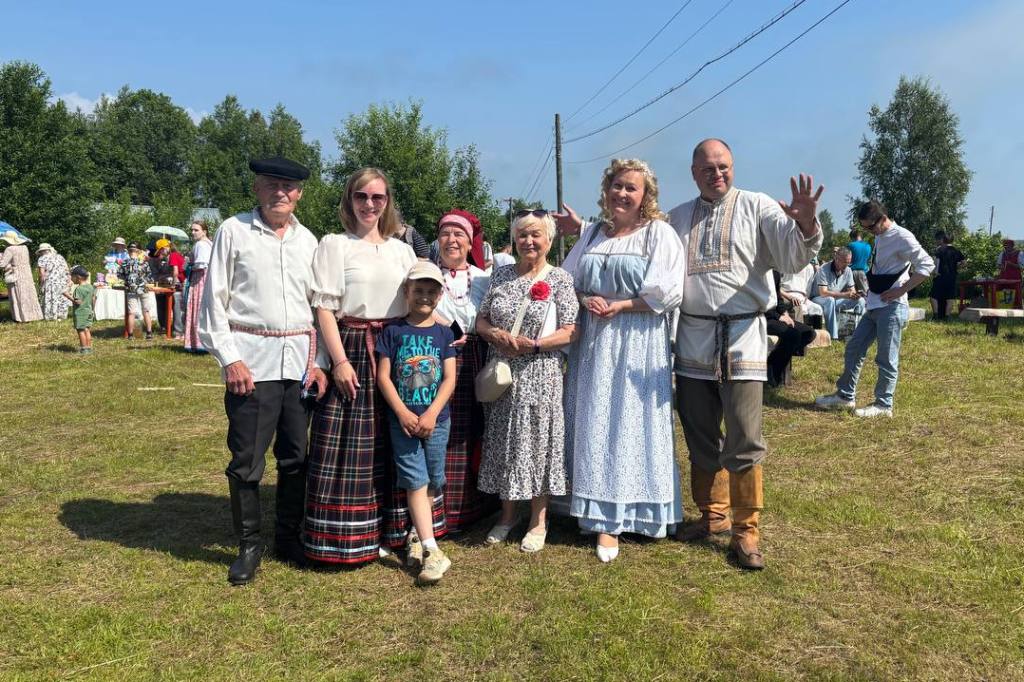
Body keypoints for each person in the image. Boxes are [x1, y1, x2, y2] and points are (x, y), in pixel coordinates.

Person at [666, 138, 823, 570]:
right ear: (694, 172)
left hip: (743, 338)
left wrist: (807, 222)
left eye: (724, 167)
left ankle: (746, 530)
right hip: (694, 338)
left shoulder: (757, 206)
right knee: (698, 433)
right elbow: (639, 244)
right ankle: (712, 515)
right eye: (708, 169)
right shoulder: (676, 217)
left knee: (745, 437)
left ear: (733, 166)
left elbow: (795, 252)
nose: (718, 175)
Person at [198, 156, 328, 586]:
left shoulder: (309, 241)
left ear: (300, 194)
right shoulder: (233, 231)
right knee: (247, 459)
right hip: (251, 362)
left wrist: (322, 363)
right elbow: (212, 301)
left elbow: (320, 307)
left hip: (299, 363)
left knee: (296, 457)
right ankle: (249, 546)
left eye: (289, 187)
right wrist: (230, 358)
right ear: (257, 187)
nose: (281, 193)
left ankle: (288, 539)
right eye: (272, 184)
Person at [557, 158, 686, 563]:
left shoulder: (658, 234)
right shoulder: (593, 232)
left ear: (645, 195)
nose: (622, 193)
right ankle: (594, 512)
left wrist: (622, 305)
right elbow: (565, 279)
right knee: (594, 418)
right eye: (617, 185)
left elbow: (668, 292)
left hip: (636, 341)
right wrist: (583, 298)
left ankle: (623, 516)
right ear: (606, 189)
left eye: (631, 187)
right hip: (594, 341)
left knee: (630, 422)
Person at [303, 167, 430, 566]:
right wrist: (338, 361)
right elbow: (324, 307)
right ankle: (346, 537)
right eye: (362, 196)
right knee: (350, 445)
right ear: (350, 199)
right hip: (354, 347)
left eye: (378, 197)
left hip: (398, 348)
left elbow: (422, 301)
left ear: (387, 202)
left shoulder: (402, 249)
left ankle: (400, 532)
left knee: (399, 441)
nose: (370, 204)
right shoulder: (335, 245)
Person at [475, 211, 578, 553]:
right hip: (503, 372)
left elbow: (570, 330)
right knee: (505, 440)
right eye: (522, 236)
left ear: (549, 240)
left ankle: (538, 520)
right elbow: (482, 319)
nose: (529, 242)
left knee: (539, 442)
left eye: (536, 235)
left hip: (541, 372)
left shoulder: (560, 279)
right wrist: (496, 335)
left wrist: (534, 344)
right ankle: (507, 515)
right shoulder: (501, 274)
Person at [376, 261, 458, 585]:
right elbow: (384, 376)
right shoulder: (393, 332)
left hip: (437, 421)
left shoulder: (444, 333)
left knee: (433, 478)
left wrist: (433, 413)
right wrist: (402, 413)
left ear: (439, 296)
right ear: (407, 292)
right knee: (415, 480)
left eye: (430, 291)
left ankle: (414, 534)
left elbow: (450, 379)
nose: (424, 296)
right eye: (418, 290)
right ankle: (432, 549)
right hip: (404, 423)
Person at [816, 200, 934, 418]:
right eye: (864, 228)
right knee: (854, 347)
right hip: (874, 304)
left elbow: (927, 265)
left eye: (870, 227)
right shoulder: (880, 236)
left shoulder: (903, 236)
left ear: (882, 219)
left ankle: (883, 405)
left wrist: (901, 290)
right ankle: (845, 396)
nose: (868, 231)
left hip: (892, 307)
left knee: (886, 357)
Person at [431, 209, 497, 533]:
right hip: (436, 355)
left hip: (475, 355)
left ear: (470, 242)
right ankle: (435, 507)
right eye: (445, 234)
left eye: (459, 235)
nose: (451, 240)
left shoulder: (483, 278)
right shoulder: (427, 274)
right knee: (440, 428)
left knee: (471, 429)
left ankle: (469, 509)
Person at [765, 271, 816, 388]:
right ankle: (774, 373)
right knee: (793, 335)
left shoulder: (775, 272)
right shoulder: (759, 272)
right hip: (762, 318)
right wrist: (778, 316)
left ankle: (772, 364)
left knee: (808, 333)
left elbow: (778, 297)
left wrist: (784, 313)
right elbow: (757, 302)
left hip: (776, 316)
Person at [811, 247, 866, 340]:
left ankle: (856, 334)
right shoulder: (823, 269)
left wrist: (855, 295)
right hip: (817, 298)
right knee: (830, 300)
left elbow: (851, 290)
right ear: (836, 259)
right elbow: (823, 293)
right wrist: (845, 295)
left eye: (849, 262)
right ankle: (833, 336)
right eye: (845, 262)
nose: (847, 265)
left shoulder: (848, 270)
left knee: (861, 301)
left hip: (836, 300)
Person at [1, 230, 43, 323]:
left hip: (16, 274)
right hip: (26, 273)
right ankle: (32, 315)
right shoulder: (24, 247)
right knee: (28, 294)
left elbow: (2, 264)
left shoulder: (10, 249)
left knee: (17, 295)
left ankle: (20, 317)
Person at [184, 220, 213, 352]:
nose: (193, 232)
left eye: (196, 230)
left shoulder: (201, 244)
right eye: (192, 230)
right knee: (205, 311)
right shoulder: (209, 243)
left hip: (200, 280)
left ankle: (197, 343)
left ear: (204, 231)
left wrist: (190, 265)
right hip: (207, 280)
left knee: (197, 309)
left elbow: (202, 264)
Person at [118, 243, 155, 340]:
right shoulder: (144, 262)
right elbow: (150, 277)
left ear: (129, 251)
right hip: (143, 288)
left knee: (131, 313)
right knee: (146, 311)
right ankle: (149, 333)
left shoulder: (124, 262)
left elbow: (119, 275)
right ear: (138, 251)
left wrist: (128, 279)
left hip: (131, 289)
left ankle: (130, 335)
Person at [931, 231, 965, 320]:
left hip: (940, 275)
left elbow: (936, 262)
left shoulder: (939, 250)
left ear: (942, 240)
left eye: (937, 239)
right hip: (952, 276)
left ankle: (935, 315)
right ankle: (947, 316)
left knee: (933, 296)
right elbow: (964, 263)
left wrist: (935, 272)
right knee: (950, 297)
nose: (936, 241)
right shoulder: (956, 251)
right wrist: (956, 266)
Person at [36, 243, 71, 321]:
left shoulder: (42, 258)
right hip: (62, 280)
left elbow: (42, 274)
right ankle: (61, 315)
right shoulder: (59, 257)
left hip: (50, 281)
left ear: (42, 251)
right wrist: (69, 279)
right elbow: (66, 269)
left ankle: (51, 316)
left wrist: (41, 284)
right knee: (61, 297)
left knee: (51, 298)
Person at [64, 265, 95, 354]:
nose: (71, 279)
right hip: (89, 311)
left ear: (78, 277)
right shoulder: (90, 287)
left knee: (80, 330)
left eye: (72, 277)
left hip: (80, 313)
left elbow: (78, 302)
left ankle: (84, 348)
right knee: (87, 330)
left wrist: (67, 295)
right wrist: (92, 309)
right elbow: (93, 298)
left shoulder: (78, 289)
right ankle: (89, 348)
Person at [995, 238, 1022, 308]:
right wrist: (1001, 267)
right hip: (1003, 277)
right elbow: (998, 265)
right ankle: (1001, 306)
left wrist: (1011, 264)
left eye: (1007, 246)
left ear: (1012, 245)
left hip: (1015, 277)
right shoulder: (1002, 253)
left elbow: (1021, 266)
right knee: (998, 290)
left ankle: (1017, 307)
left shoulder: (1019, 253)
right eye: (1004, 246)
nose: (1006, 247)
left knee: (1015, 292)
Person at [848, 228, 871, 294]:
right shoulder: (868, 246)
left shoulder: (851, 245)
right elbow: (868, 260)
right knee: (865, 294)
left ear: (852, 237)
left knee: (851, 294)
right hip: (864, 272)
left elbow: (846, 259)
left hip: (852, 272)